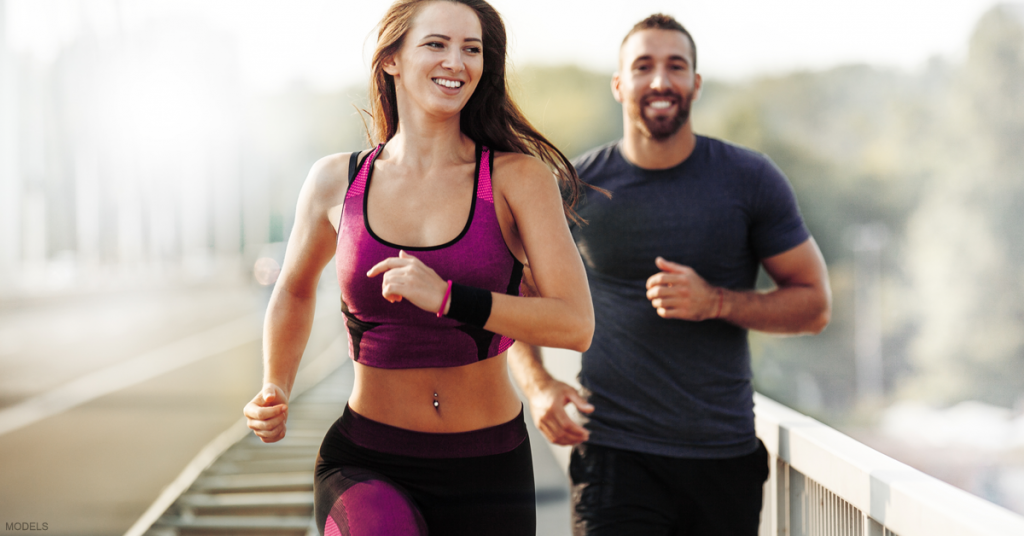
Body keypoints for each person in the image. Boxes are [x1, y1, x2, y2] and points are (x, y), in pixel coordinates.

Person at [242, 1, 594, 534]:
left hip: (489, 469)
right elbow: (292, 290)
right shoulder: (336, 181)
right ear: (392, 60)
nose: (456, 61)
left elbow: (575, 323)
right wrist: (276, 385)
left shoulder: (518, 179)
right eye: (436, 44)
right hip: (367, 460)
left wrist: (452, 299)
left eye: (471, 49)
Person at [509, 13, 832, 536]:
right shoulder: (575, 189)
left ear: (695, 84)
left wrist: (717, 302)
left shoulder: (750, 179)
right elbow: (517, 296)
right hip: (614, 459)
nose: (660, 81)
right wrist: (540, 385)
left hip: (722, 458)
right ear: (619, 84)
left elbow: (814, 305)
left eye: (675, 66)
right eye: (643, 66)